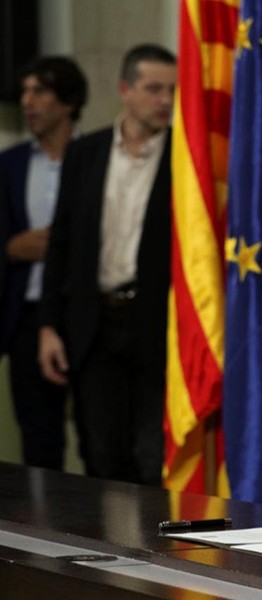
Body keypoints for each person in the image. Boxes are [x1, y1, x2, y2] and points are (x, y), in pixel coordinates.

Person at [38, 44, 176, 485]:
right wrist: (48, 326)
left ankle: (152, 551)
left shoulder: (185, 158)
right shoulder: (87, 153)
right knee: (100, 451)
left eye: (172, 90)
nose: (165, 101)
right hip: (93, 322)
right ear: (125, 90)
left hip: (156, 322)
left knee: (152, 451)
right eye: (154, 88)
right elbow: (60, 244)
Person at [0, 56, 87, 470]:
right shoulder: (10, 164)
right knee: (38, 436)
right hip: (25, 317)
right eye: (24, 92)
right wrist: (11, 248)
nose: (28, 102)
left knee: (97, 435)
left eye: (40, 91)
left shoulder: (94, 156)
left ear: (68, 101)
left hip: (86, 313)